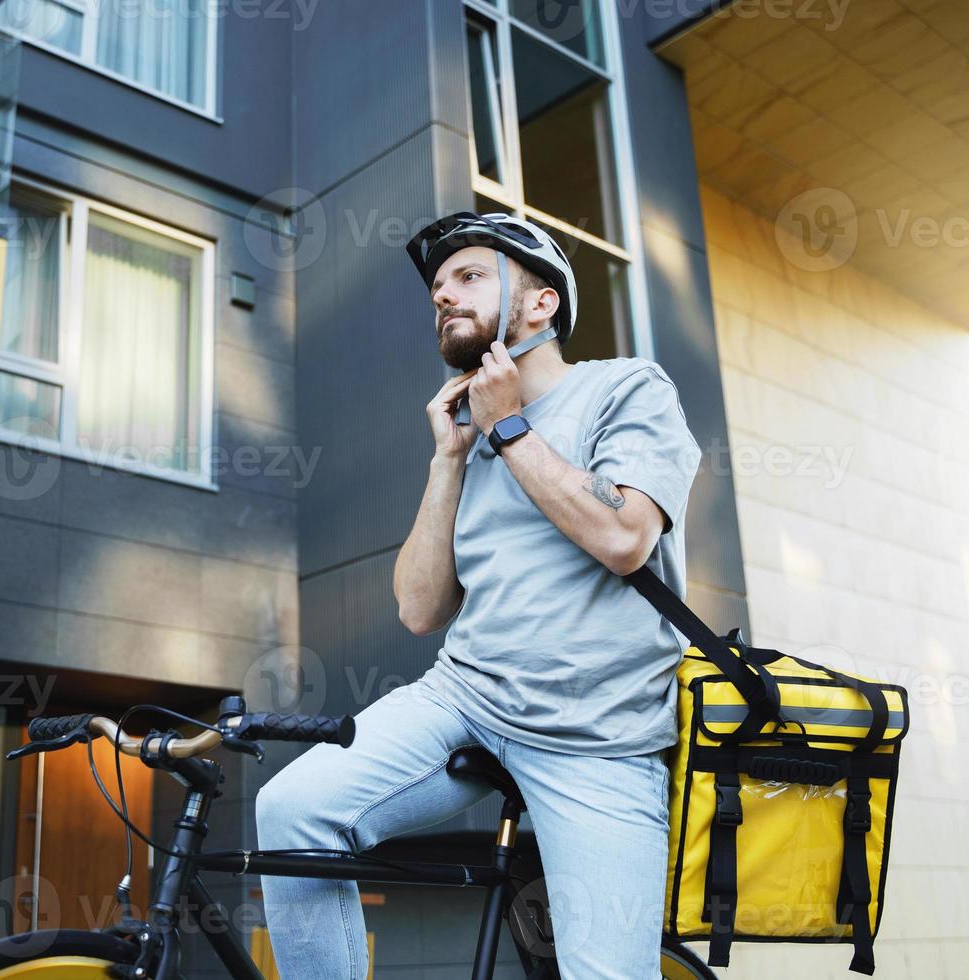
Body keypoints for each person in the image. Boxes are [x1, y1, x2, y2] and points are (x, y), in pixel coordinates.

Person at [256, 212, 703, 978]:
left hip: (597, 734)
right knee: (290, 810)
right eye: (436, 287)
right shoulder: (468, 436)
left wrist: (511, 431)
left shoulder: (624, 386)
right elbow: (420, 611)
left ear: (540, 305)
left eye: (468, 277)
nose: (442, 296)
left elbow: (627, 538)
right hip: (463, 699)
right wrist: (449, 460)